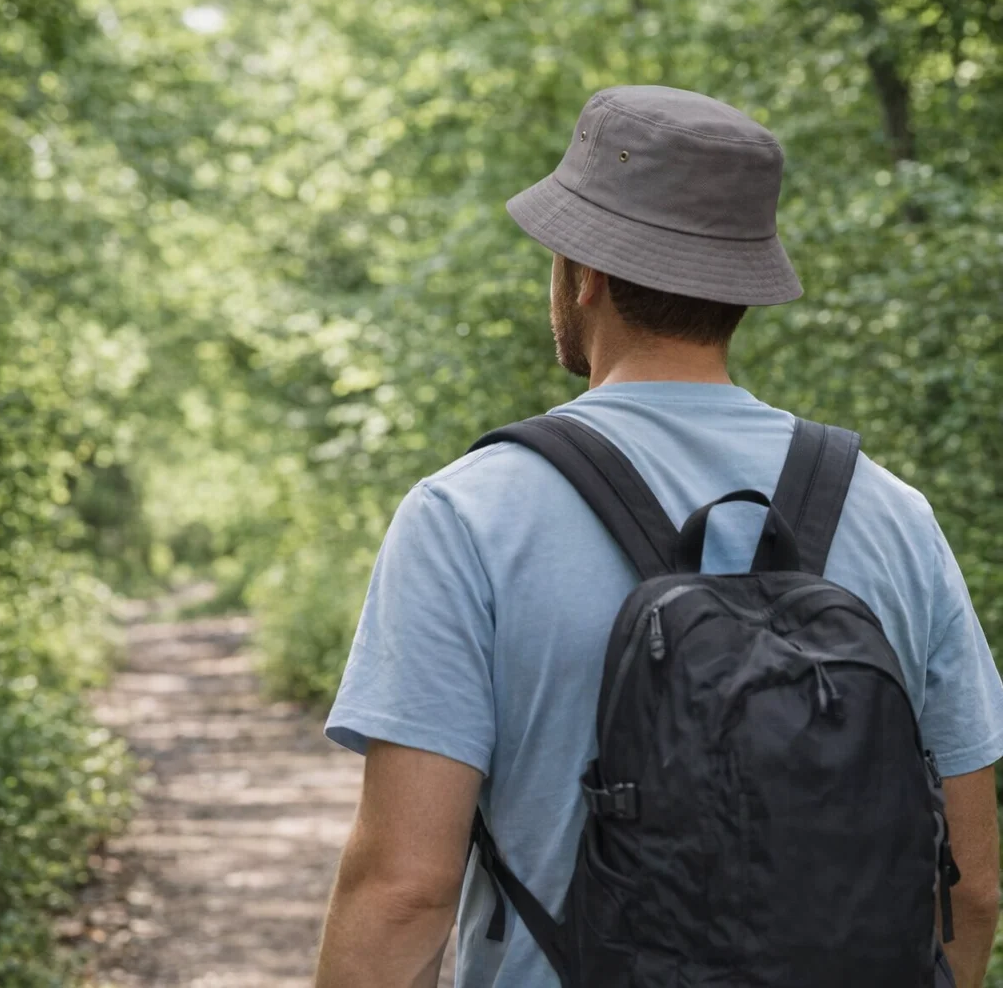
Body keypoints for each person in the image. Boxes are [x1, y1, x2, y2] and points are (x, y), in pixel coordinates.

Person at [313, 86, 1003, 988]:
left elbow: (405, 890)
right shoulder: (896, 517)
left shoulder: (469, 517)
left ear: (584, 271)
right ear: (742, 285)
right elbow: (973, 887)